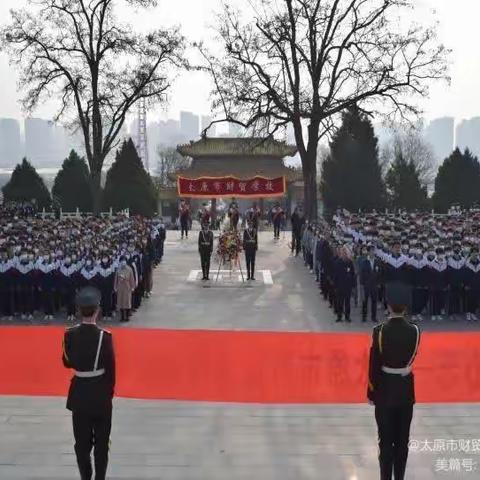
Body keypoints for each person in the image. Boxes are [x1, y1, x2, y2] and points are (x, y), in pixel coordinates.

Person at [367, 283, 420, 480]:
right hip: (406, 391)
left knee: (385, 441)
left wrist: (371, 393)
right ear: (405, 307)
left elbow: (374, 364)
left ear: (388, 306)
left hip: (384, 391)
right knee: (402, 441)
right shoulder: (415, 331)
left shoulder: (379, 331)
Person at [62, 286, 116, 480]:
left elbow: (66, 362)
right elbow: (111, 371)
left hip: (79, 396)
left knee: (82, 445)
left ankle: (86, 476)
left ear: (78, 311)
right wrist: (108, 395)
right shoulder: (105, 337)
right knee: (102, 445)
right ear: (97, 310)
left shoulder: (69, 334)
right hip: (100, 396)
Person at [333, 246, 355, 322]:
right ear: (341, 254)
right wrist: (335, 285)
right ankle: (339, 316)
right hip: (340, 286)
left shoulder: (349, 262)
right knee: (340, 302)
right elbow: (335, 275)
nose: (344, 254)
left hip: (347, 286)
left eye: (345, 253)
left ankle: (347, 316)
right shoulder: (337, 262)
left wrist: (353, 285)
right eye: (343, 253)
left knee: (347, 302)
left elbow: (352, 274)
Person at [360, 245, 381, 323]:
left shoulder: (377, 261)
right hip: (366, 285)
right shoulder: (364, 261)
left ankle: (374, 317)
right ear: (368, 252)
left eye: (373, 250)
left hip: (374, 285)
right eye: (371, 251)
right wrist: (362, 284)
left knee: (374, 301)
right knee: (365, 301)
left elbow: (379, 273)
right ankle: (364, 316)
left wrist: (378, 283)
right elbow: (362, 273)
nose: (372, 252)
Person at [113, 256, 135, 322]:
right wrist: (115, 287)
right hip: (120, 287)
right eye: (122, 261)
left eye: (124, 260)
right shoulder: (118, 269)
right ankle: (122, 316)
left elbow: (132, 278)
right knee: (121, 302)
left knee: (127, 302)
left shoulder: (129, 269)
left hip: (127, 287)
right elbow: (116, 279)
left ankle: (127, 316)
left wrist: (132, 287)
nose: (123, 262)